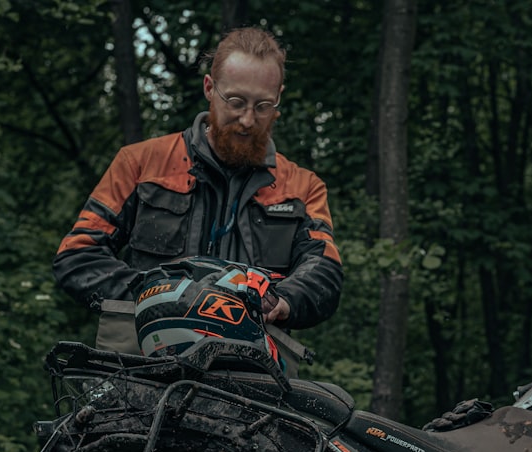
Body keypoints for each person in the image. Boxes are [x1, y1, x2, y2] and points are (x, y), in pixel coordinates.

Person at [53, 27, 342, 362]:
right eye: (236, 102)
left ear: (279, 97)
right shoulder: (140, 164)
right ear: (209, 88)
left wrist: (280, 300)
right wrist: (157, 294)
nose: (248, 119)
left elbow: (324, 272)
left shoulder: (303, 187)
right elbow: (77, 255)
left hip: (253, 373)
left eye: (263, 106)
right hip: (142, 360)